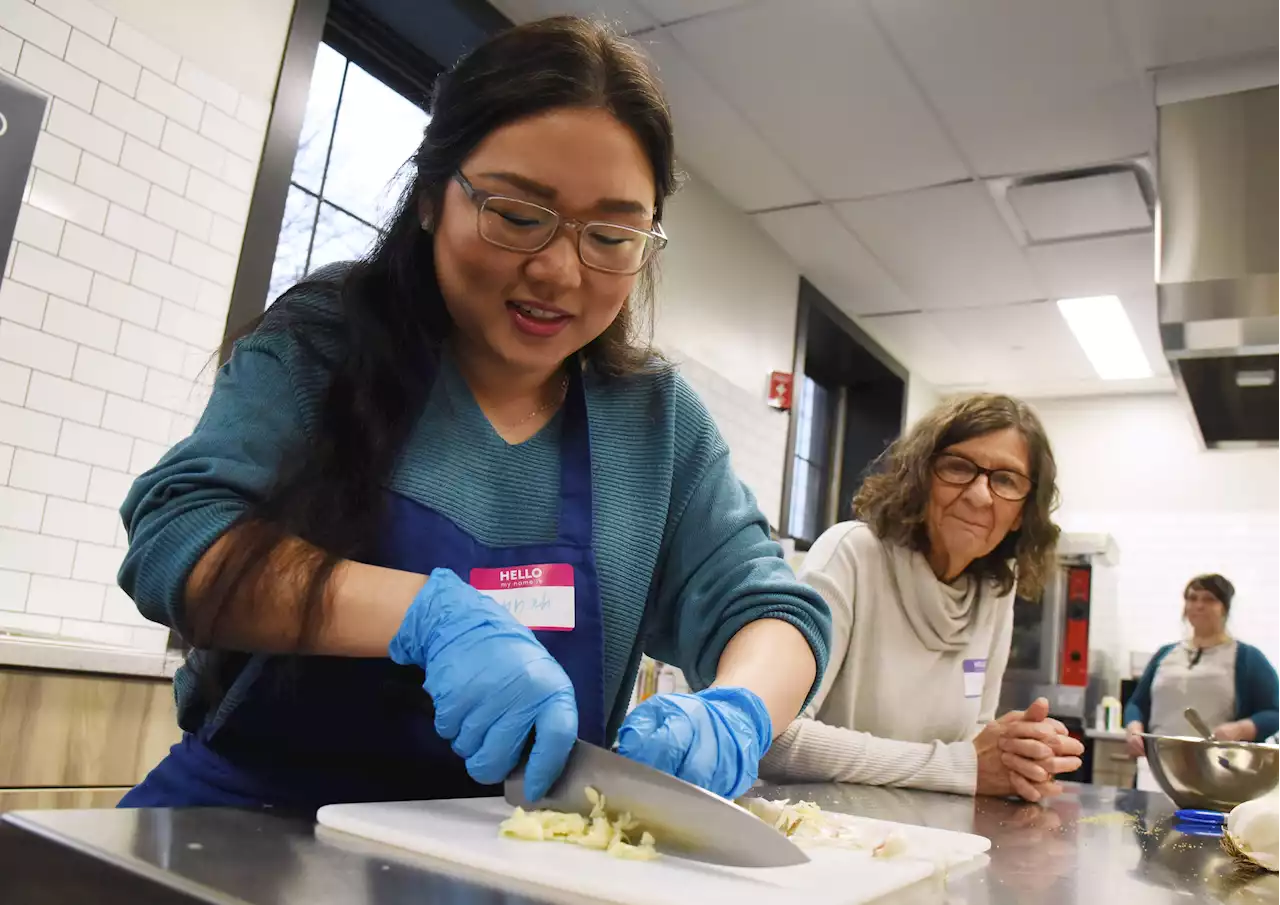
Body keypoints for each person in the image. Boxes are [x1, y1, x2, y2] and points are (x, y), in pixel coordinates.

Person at [115, 16, 831, 809]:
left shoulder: (656, 425)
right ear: (430, 199)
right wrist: (422, 615)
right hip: (248, 833)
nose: (560, 270)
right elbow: (180, 541)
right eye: (519, 216)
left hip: (515, 853)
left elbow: (771, 608)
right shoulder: (326, 344)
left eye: (612, 235)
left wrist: (737, 711)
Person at [760, 394, 1084, 801]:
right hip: (822, 833)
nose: (980, 495)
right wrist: (962, 767)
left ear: (1022, 511)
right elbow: (774, 739)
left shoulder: (996, 590)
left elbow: (972, 741)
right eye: (959, 467)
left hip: (924, 839)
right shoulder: (852, 553)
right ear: (922, 476)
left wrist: (1016, 756)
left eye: (1005, 480)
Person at [1124, 574, 1279, 759]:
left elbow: (1275, 712)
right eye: (1192, 598)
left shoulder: (1246, 658)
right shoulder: (1165, 654)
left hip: (1217, 766)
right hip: (1158, 763)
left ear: (1224, 608)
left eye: (1209, 599)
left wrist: (1242, 729)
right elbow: (1137, 703)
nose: (1199, 605)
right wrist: (1133, 727)